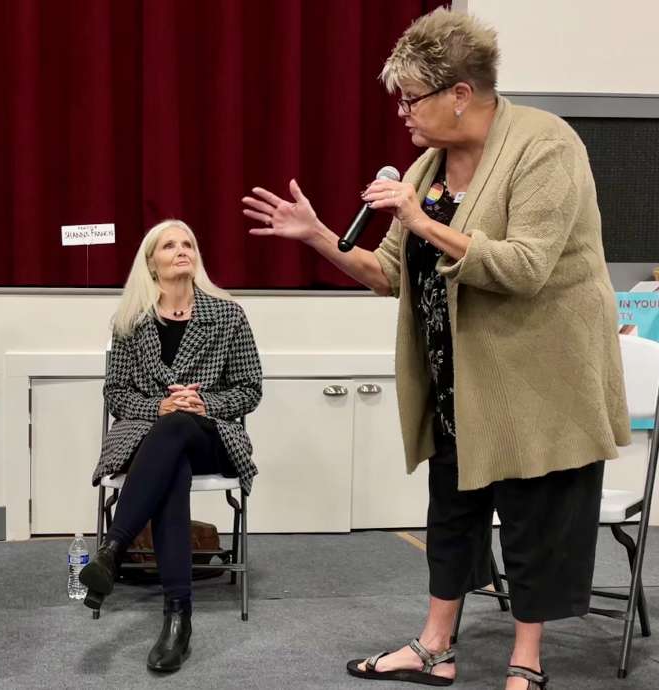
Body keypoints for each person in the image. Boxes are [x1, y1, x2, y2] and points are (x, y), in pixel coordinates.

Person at [242, 9, 627, 689]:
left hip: (539, 379)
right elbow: (390, 272)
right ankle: (435, 647)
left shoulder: (545, 146)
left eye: (411, 97)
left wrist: (421, 220)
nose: (402, 113)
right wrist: (319, 236)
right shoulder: (428, 165)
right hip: (458, 381)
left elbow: (526, 267)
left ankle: (525, 661)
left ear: (460, 93)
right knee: (451, 513)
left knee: (532, 520)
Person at [79, 219, 262, 673]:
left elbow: (250, 389)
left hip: (211, 434)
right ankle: (177, 620)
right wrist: (159, 408)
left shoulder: (227, 315)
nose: (182, 250)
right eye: (170, 245)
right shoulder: (130, 321)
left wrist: (203, 403)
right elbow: (116, 393)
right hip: (151, 439)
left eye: (189, 243)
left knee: (180, 428)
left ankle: (114, 548)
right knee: (171, 466)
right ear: (151, 262)